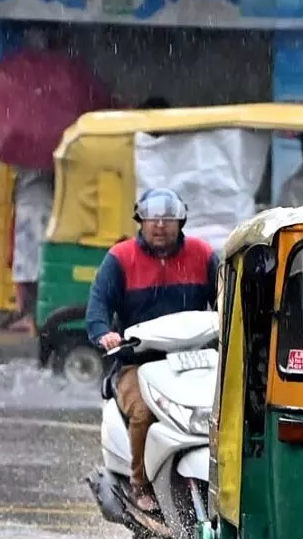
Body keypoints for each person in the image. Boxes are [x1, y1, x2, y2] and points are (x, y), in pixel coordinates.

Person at [86, 188, 218, 514]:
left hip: (195, 361)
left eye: (168, 220)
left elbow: (227, 297)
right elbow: (97, 308)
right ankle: (140, 485)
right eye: (153, 220)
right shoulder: (120, 258)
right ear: (141, 222)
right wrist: (105, 335)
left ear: (181, 222)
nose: (161, 226)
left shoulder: (202, 254)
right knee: (143, 412)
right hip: (136, 364)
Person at [8, 168, 53, 333]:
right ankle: (34, 315)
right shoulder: (52, 156)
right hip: (47, 208)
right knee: (37, 264)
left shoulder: (24, 155)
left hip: (27, 210)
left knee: (26, 266)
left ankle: (29, 316)